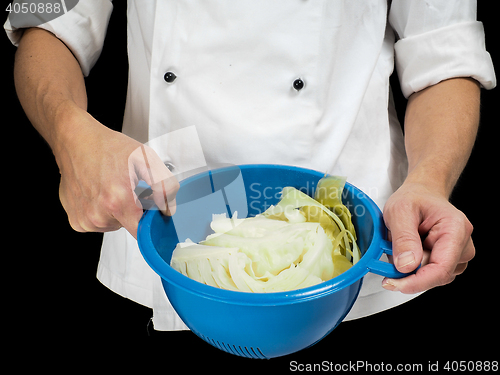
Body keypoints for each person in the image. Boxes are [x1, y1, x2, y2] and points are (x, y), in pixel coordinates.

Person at [5, 0, 495, 331]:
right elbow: (43, 13)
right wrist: (70, 132)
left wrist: (428, 181)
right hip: (156, 227)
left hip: (357, 261)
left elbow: (444, 50)